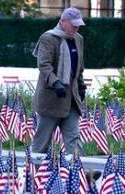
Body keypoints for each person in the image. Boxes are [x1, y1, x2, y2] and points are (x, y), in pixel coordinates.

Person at [31, 7, 86, 156]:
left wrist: (81, 85)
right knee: (42, 143)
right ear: (62, 22)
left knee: (73, 138)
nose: (76, 27)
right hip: (51, 99)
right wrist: (55, 83)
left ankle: (80, 173)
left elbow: (79, 66)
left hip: (71, 99)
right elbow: (44, 64)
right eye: (73, 24)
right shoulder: (48, 38)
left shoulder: (78, 39)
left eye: (78, 24)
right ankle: (34, 172)